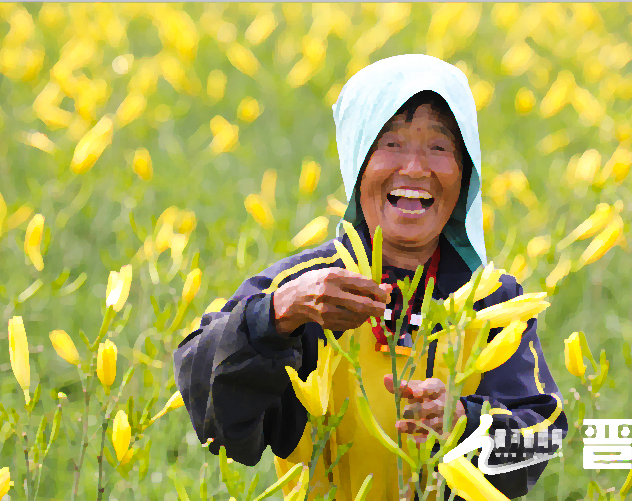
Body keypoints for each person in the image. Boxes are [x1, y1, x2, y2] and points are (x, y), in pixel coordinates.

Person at [173, 54, 568, 501]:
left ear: (465, 175)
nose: (415, 169)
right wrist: (276, 316)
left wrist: (465, 420)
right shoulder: (303, 289)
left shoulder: (492, 300)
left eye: (439, 148)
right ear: (357, 161)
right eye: (391, 144)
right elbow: (210, 411)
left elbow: (542, 443)